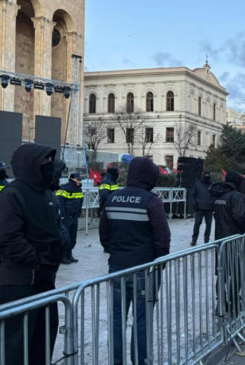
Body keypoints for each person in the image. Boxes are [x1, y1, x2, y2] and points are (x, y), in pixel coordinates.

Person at [0, 143, 62, 364]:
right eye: (44, 163)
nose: (49, 167)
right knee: (14, 347)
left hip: (44, 282)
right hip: (18, 283)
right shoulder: (12, 194)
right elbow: (8, 238)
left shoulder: (47, 194)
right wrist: (37, 263)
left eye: (50, 162)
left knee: (41, 342)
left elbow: (54, 230)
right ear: (30, 165)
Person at [100, 156, 171, 365]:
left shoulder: (112, 198)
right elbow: (162, 238)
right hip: (145, 270)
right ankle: (140, 361)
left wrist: (115, 252)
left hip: (117, 268)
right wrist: (159, 262)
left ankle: (117, 361)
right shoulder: (151, 201)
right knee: (142, 320)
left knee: (116, 320)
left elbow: (104, 236)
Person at [210, 170, 245, 317]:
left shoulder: (218, 196)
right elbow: (240, 217)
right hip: (233, 238)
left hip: (220, 238)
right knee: (235, 273)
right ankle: (234, 302)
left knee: (221, 273)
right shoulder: (235, 197)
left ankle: (220, 304)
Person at [57, 173, 84, 263]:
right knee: (65, 237)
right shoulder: (64, 188)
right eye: (78, 180)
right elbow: (60, 202)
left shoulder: (79, 189)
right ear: (72, 179)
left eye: (80, 180)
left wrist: (79, 212)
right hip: (66, 216)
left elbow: (80, 202)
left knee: (73, 237)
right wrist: (63, 215)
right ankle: (63, 256)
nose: (79, 181)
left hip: (74, 216)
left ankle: (69, 254)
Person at [189, 171, 215, 246]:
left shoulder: (212, 185)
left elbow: (215, 195)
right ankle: (194, 240)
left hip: (209, 209)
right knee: (197, 224)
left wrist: (213, 206)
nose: (207, 177)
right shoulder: (197, 184)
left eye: (208, 175)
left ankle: (206, 240)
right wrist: (195, 206)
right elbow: (192, 195)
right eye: (205, 175)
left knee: (208, 225)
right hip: (199, 208)